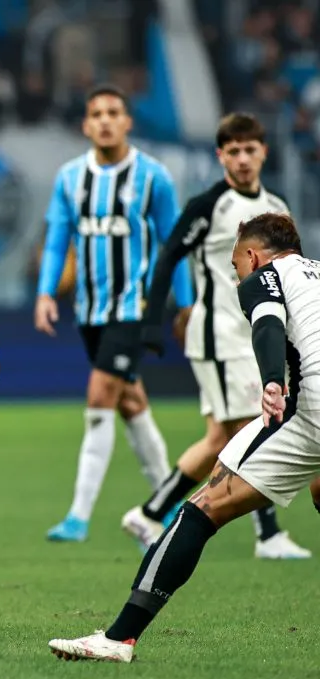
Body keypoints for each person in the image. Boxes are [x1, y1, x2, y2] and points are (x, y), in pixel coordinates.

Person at [48, 212, 320, 663]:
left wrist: (272, 380)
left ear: (251, 256)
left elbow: (268, 324)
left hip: (308, 404)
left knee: (201, 510)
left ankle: (119, 638)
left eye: (235, 266)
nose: (237, 276)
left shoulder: (265, 277)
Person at [123, 113, 311, 559]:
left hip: (257, 335)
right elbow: (169, 255)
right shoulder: (209, 205)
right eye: (234, 151)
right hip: (220, 335)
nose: (244, 159)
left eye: (251, 150)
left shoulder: (276, 206)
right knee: (252, 424)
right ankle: (268, 535)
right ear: (220, 155)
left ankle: (149, 513)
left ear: (264, 152)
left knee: (218, 439)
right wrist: (156, 319)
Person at [35, 84, 195, 542]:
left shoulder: (153, 178)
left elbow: (175, 245)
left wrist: (183, 306)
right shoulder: (70, 178)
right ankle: (172, 506)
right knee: (132, 402)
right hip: (89, 310)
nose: (104, 120)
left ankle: (78, 516)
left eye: (113, 112)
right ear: (86, 125)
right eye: (96, 114)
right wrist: (47, 294)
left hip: (134, 308)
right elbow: (57, 240)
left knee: (101, 395)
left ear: (127, 122)